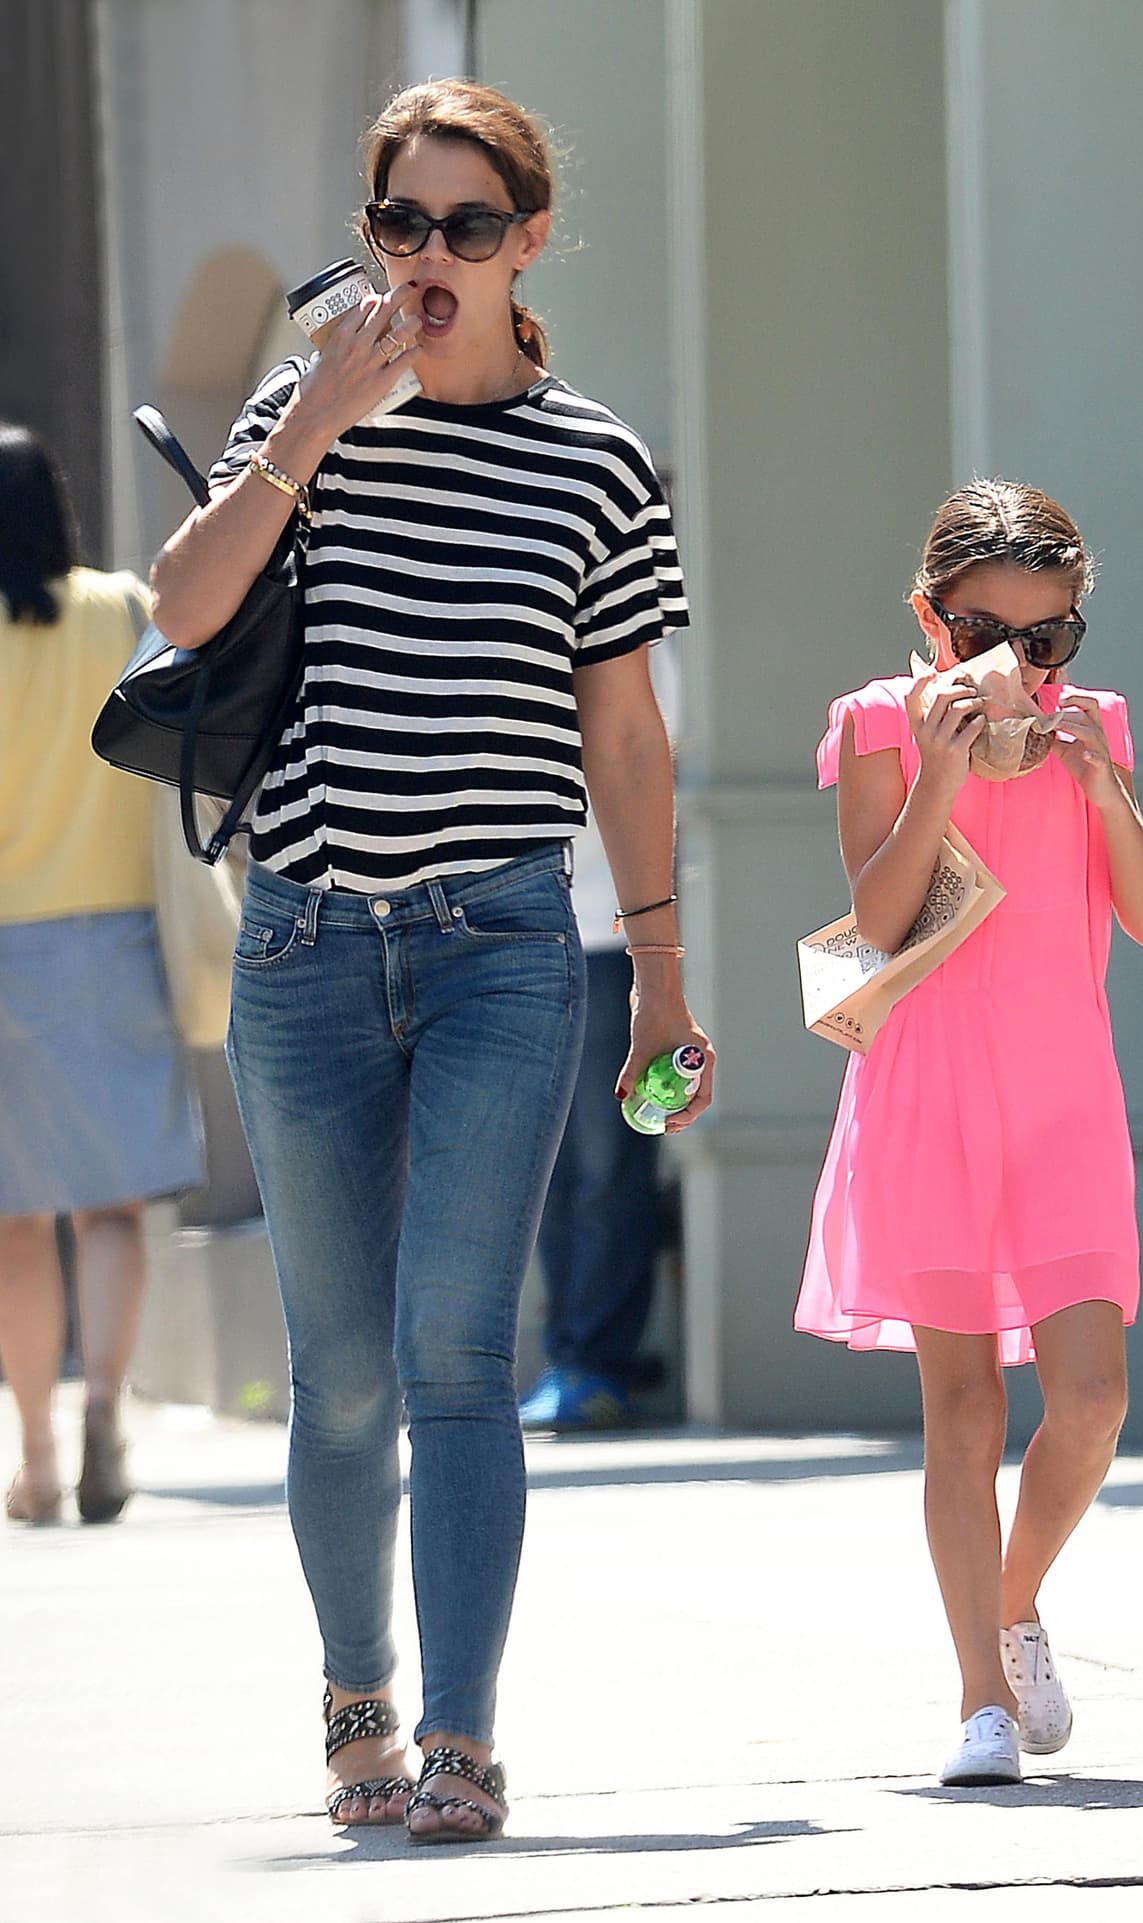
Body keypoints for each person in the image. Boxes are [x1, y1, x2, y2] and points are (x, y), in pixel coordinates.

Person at [150, 80, 712, 1843]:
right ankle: (355, 1698)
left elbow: (623, 738)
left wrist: (663, 968)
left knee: (461, 1346)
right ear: (372, 231)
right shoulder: (310, 410)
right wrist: (309, 421)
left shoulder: (596, 459)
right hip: (308, 942)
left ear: (530, 239)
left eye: (471, 225)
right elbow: (179, 604)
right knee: (345, 1368)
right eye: (403, 224)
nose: (433, 257)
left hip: (499, 949)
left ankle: (463, 1734)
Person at [795, 481, 1143, 1787]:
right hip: (928, 1097)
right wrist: (941, 763)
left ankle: (1012, 1609)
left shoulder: (1097, 728)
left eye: (1049, 637)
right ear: (929, 618)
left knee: (1095, 1398)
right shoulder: (874, 723)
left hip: (1066, 1099)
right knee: (960, 1409)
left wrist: (1102, 785)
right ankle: (979, 1699)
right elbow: (882, 916)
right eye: (983, 633)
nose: (1019, 663)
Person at [0, 423, 203, 1527]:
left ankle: (31, 1458)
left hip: (4, 948)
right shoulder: (123, 607)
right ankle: (107, 1413)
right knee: (112, 1206)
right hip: (121, 935)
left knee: (15, 1218)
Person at [519, 815, 664, 1431]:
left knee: (608, 1166)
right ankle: (570, 1359)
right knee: (547, 1172)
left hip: (610, 935)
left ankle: (599, 1363)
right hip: (511, 939)